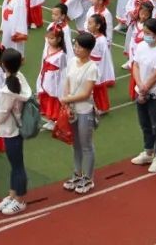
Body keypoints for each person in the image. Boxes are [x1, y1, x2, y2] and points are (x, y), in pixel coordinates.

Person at [0, 47, 31, 215]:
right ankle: (12, 195)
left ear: (3, 65)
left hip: (11, 129)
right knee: (15, 164)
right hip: (16, 127)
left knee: (16, 165)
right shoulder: (19, 78)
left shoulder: (9, 89)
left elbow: (2, 113)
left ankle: (20, 200)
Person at [130, 18, 156, 173]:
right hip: (141, 92)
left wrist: (145, 89)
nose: (144, 35)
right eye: (144, 32)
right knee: (145, 125)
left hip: (155, 96)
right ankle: (148, 152)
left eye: (148, 33)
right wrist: (140, 86)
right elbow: (136, 65)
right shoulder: (141, 46)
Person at [61, 31, 98, 195]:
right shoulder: (72, 62)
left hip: (84, 110)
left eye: (79, 47)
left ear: (88, 50)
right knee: (75, 143)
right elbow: (67, 82)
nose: (76, 49)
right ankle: (77, 174)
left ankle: (88, 179)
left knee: (86, 145)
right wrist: (68, 104)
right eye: (75, 46)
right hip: (73, 109)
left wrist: (68, 100)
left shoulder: (92, 68)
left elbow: (86, 93)